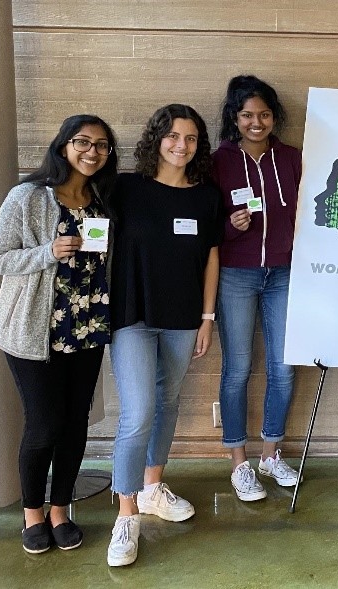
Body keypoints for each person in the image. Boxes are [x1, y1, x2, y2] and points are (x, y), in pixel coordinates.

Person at [0, 115, 117, 554]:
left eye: (101, 145)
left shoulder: (103, 199)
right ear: (63, 146)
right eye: (83, 142)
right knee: (43, 425)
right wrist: (47, 252)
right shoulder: (27, 197)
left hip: (88, 327)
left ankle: (61, 509)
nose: (92, 151)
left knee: (75, 423)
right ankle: (33, 515)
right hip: (34, 330)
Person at [106, 104, 222, 567]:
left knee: (169, 402)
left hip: (182, 318)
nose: (181, 145)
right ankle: (127, 514)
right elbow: (67, 196)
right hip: (132, 315)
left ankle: (153, 486)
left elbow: (212, 257)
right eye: (173, 136)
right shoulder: (125, 188)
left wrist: (208, 317)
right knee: (138, 414)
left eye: (191, 138)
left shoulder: (207, 197)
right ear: (157, 138)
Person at [212, 75, 302, 501]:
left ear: (274, 117)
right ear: (234, 117)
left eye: (263, 114)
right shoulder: (219, 162)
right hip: (236, 274)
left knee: (284, 368)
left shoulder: (293, 158)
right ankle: (239, 464)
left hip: (283, 274)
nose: (256, 122)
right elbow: (204, 226)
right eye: (247, 115)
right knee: (238, 369)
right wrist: (229, 226)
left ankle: (271, 454)